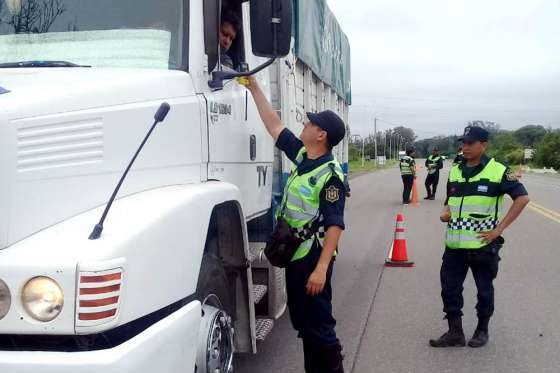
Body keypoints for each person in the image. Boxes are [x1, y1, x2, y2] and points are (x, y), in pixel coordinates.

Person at [242, 76, 346, 372]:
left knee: (319, 326)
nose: (305, 124)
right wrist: (254, 88)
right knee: (304, 325)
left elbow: (335, 225)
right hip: (296, 255)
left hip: (312, 258)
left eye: (311, 123)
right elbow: (275, 127)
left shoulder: (331, 176)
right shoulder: (304, 158)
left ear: (321, 134)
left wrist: (321, 269)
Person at [430, 126, 529, 348]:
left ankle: (482, 330)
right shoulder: (455, 169)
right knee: (449, 288)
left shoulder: (499, 171)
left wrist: (499, 229)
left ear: (483, 145)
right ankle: (455, 331)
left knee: (484, 289)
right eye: (463, 143)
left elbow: (522, 198)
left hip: (483, 245)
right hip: (454, 244)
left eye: (470, 143)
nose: (464, 147)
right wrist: (446, 211)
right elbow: (450, 198)